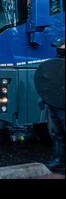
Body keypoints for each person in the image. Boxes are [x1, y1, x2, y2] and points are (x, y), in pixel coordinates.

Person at [36, 40, 65, 172]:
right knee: (57, 133)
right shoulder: (55, 63)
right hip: (54, 105)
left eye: (61, 46)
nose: (59, 48)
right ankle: (58, 160)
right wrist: (43, 98)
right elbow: (50, 84)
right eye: (57, 46)